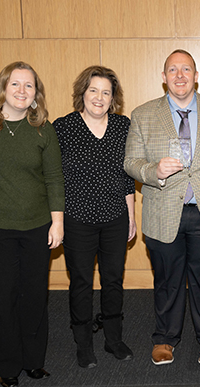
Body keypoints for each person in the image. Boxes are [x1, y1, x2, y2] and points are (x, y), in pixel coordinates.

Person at [124, 50, 200, 366]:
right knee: (167, 279)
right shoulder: (144, 114)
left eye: (186, 69)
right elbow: (131, 162)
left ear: (196, 75)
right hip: (163, 209)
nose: (180, 75)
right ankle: (165, 339)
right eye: (173, 70)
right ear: (163, 77)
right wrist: (153, 171)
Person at [0, 61, 64, 387]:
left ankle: (34, 361)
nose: (22, 91)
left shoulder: (42, 129)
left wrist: (58, 223)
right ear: (3, 87)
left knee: (34, 295)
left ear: (37, 93)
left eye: (29, 86)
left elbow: (54, 179)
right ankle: (7, 366)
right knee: (1, 296)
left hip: (37, 226)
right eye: (16, 85)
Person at [54, 66, 137, 369]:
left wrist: (130, 215)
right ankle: (83, 344)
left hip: (115, 216)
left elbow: (127, 175)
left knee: (113, 280)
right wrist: (58, 220)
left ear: (113, 98)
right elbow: (54, 177)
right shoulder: (63, 127)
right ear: (82, 93)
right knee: (81, 282)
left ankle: (114, 340)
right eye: (93, 90)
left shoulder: (122, 126)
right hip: (77, 219)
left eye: (106, 92)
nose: (99, 98)